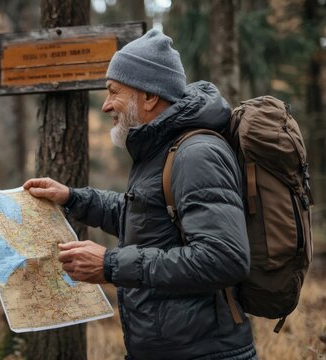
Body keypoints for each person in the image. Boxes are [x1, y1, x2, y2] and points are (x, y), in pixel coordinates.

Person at [24, 29, 257, 359]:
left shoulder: (196, 154)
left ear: (149, 97)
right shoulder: (161, 149)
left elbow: (224, 258)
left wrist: (111, 264)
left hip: (203, 351)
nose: (106, 105)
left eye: (113, 92)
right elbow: (146, 218)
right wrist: (73, 198)